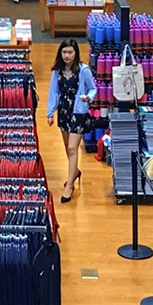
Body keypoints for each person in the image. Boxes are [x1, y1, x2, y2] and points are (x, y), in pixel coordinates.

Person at [46, 39, 92, 202]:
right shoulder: (57, 71)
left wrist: (89, 98)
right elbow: (54, 91)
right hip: (64, 111)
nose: (67, 55)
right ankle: (75, 172)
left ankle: (69, 185)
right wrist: (50, 112)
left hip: (78, 112)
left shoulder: (84, 70)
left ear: (76, 53)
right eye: (64, 52)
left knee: (73, 148)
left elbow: (93, 88)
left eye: (70, 52)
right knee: (67, 147)